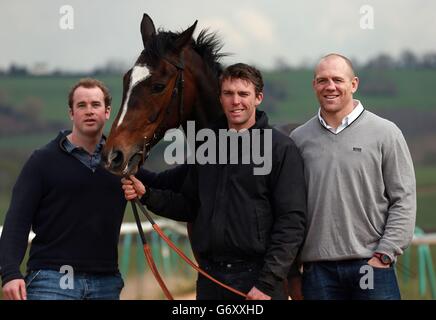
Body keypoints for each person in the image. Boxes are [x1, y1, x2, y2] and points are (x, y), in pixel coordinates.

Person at [122, 63, 307, 300]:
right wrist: (147, 194)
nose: (235, 101)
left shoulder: (281, 149)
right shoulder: (208, 148)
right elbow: (190, 206)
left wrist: (267, 283)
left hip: (257, 281)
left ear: (258, 98)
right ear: (220, 98)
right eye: (228, 94)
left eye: (243, 94)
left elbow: (291, 223)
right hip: (210, 278)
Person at [289, 53, 416, 300]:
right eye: (322, 80)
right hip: (318, 271)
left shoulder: (385, 133)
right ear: (314, 85)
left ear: (354, 83)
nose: (330, 86)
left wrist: (384, 255)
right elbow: (291, 207)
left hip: (371, 266)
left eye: (337, 79)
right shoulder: (299, 139)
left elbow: (404, 199)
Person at [0, 78, 126, 300]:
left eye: (95, 105)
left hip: (106, 283)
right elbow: (17, 220)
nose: (89, 111)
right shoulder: (42, 161)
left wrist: (200, 162)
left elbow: (163, 185)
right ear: (71, 113)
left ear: (107, 112)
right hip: (51, 280)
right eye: (81, 105)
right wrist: (10, 273)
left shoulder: (120, 162)